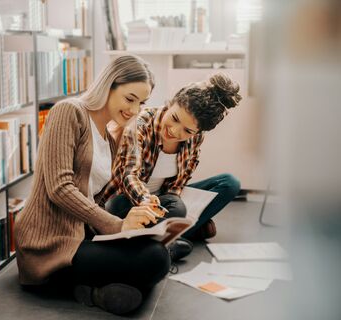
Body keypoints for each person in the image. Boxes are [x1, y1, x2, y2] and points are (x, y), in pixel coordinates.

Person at [14, 55, 171, 315]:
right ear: (108, 85)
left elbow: (95, 199)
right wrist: (115, 226)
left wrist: (130, 227)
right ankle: (73, 283)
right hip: (50, 243)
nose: (134, 110)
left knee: (157, 251)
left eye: (141, 103)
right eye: (129, 98)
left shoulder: (109, 139)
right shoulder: (68, 112)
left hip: (81, 235)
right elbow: (59, 187)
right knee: (155, 259)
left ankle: (91, 289)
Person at [104, 73, 242, 260]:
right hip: (129, 200)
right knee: (174, 209)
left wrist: (169, 202)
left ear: (197, 131)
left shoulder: (196, 137)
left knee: (229, 183)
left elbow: (177, 185)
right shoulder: (141, 124)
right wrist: (146, 200)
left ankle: (158, 240)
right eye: (175, 118)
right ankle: (173, 238)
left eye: (187, 130)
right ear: (171, 103)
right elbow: (128, 175)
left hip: (164, 199)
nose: (175, 131)